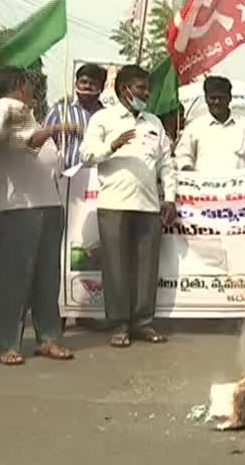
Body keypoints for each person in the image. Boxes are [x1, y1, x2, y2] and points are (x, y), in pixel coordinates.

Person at [80, 65, 177, 348]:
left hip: (148, 204)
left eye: (147, 89)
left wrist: (169, 197)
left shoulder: (154, 123)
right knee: (115, 266)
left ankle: (143, 322)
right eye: (140, 89)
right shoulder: (103, 118)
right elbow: (86, 155)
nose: (146, 93)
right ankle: (119, 324)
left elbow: (166, 164)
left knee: (147, 266)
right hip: (114, 204)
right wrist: (112, 146)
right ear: (124, 90)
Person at [0, 66, 73, 365]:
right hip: (17, 207)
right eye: (31, 85)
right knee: (14, 280)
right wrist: (52, 130)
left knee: (47, 279)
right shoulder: (0, 111)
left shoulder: (31, 114)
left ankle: (47, 338)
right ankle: (8, 342)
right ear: (20, 85)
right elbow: (3, 138)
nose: (34, 91)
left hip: (48, 203)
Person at [175, 76, 245, 172]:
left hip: (239, 186)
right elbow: (182, 157)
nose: (217, 102)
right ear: (206, 99)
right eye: (213, 98)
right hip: (204, 185)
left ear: (229, 98)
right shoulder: (194, 127)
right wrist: (188, 169)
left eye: (221, 98)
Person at [43, 63, 107, 169]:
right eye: (83, 82)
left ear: (101, 88)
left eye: (92, 83)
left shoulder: (107, 117)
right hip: (63, 177)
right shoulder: (60, 110)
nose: (87, 86)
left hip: (96, 178)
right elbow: (42, 142)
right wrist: (58, 128)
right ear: (76, 84)